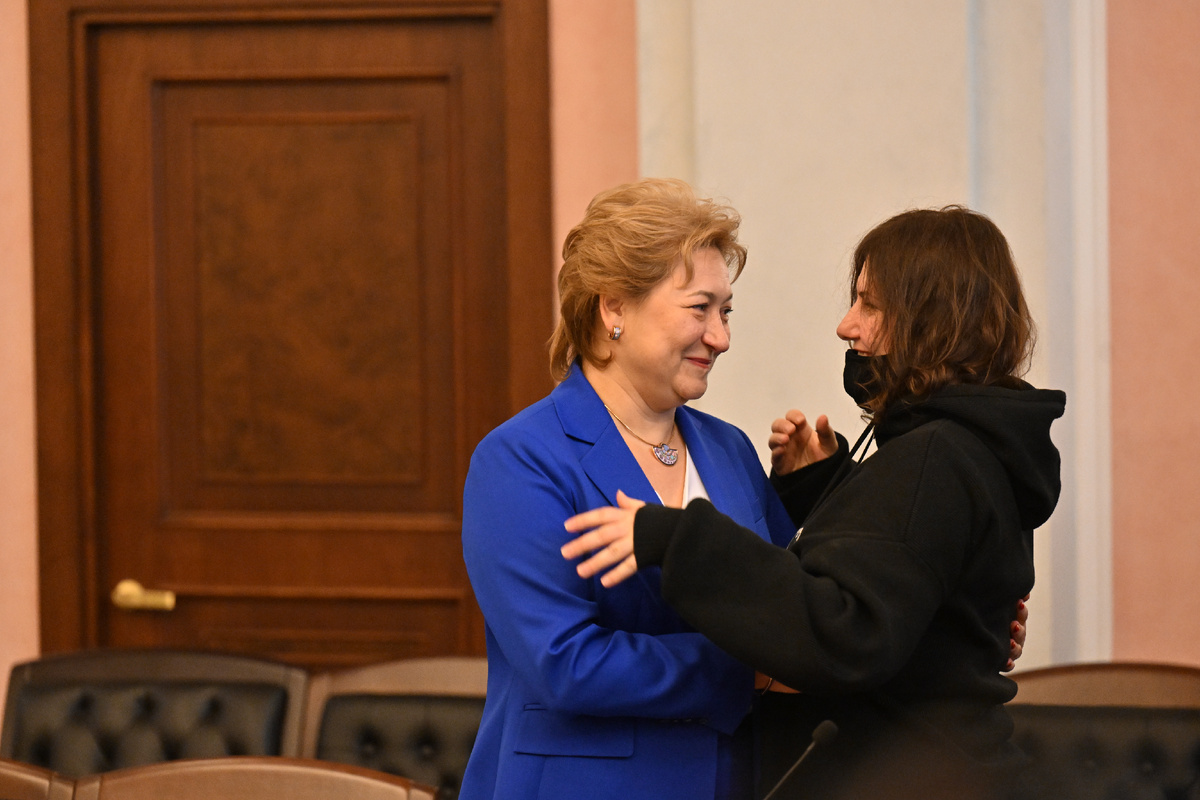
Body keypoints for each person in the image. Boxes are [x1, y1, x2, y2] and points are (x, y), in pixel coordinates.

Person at [563, 205, 1066, 800]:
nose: (847, 326)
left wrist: (674, 538)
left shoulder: (935, 454)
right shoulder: (964, 445)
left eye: (870, 304)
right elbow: (907, 569)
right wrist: (820, 484)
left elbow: (839, 632)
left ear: (931, 317)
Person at [458, 178, 797, 800]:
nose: (720, 336)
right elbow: (565, 664)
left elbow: (788, 598)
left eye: (725, 312)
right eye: (699, 308)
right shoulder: (519, 459)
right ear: (613, 307)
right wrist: (747, 669)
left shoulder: (730, 449)